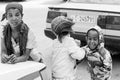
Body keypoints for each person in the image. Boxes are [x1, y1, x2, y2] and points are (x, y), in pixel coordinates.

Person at [50, 16, 85, 80]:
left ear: (54, 32)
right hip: (67, 77)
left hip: (55, 76)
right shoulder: (69, 41)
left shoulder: (54, 43)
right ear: (69, 30)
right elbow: (79, 56)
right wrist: (78, 46)